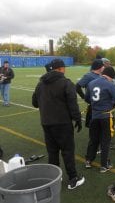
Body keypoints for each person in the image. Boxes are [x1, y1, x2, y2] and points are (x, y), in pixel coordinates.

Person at [32, 58, 85, 190]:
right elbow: (73, 104)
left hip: (46, 122)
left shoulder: (41, 83)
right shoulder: (66, 83)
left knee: (52, 151)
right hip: (62, 123)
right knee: (67, 151)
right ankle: (73, 178)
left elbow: (34, 103)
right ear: (61, 68)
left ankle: (54, 178)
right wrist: (77, 119)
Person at [84, 66, 115, 172]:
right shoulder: (111, 85)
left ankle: (88, 160)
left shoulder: (91, 83)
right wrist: (111, 103)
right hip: (106, 116)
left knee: (93, 139)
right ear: (111, 76)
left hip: (94, 115)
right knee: (105, 140)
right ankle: (104, 165)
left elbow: (87, 98)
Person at [76, 59, 104, 127]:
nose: (104, 67)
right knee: (93, 126)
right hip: (93, 105)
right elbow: (77, 86)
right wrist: (84, 97)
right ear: (99, 67)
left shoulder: (101, 76)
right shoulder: (89, 76)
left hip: (102, 104)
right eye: (102, 66)